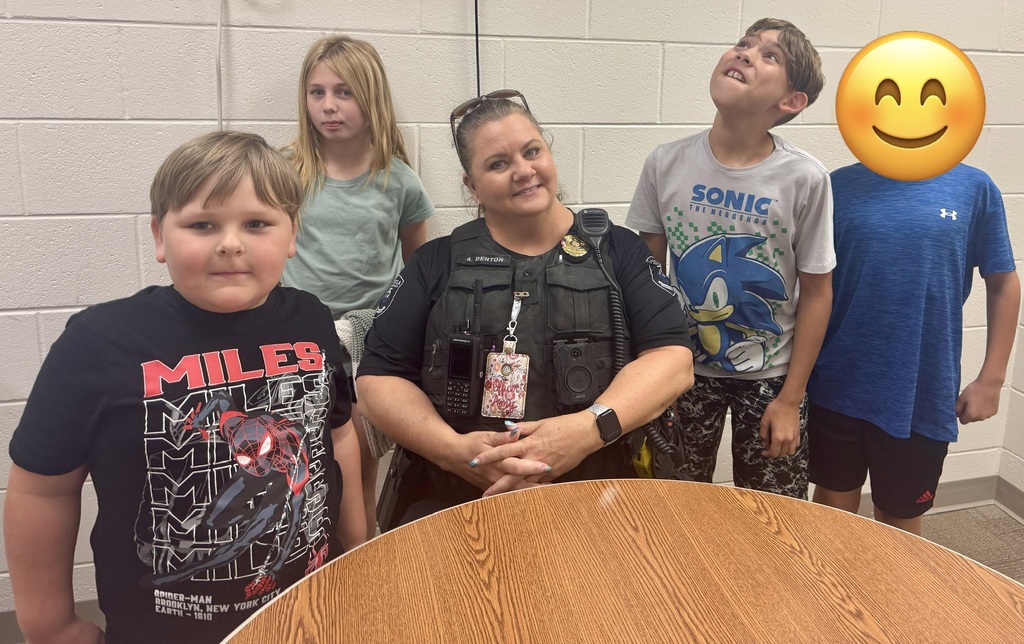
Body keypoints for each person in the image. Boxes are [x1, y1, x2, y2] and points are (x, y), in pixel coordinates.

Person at [4, 131, 366, 643]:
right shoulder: (99, 342)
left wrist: (359, 545)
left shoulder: (311, 318)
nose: (231, 242)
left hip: (308, 609)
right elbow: (42, 487)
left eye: (257, 223)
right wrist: (48, 622)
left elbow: (339, 433)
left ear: (291, 235)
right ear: (158, 236)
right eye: (203, 224)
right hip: (161, 629)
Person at [357, 91, 695, 529]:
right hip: (458, 498)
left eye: (532, 151)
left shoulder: (619, 251)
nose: (523, 171)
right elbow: (376, 382)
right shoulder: (436, 262)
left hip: (600, 496)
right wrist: (458, 453)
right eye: (497, 164)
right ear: (471, 185)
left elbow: (674, 361)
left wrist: (585, 431)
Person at [625, 18, 832, 499]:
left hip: (771, 377)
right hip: (681, 370)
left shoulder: (805, 179)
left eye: (769, 56)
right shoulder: (665, 162)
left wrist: (791, 398)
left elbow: (818, 293)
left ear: (792, 101)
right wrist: (645, 373)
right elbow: (648, 279)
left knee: (775, 516)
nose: (745, 53)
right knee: (674, 502)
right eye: (744, 43)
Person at [807, 162, 1019, 535]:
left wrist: (991, 380)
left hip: (921, 393)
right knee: (832, 520)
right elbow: (810, 289)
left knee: (899, 527)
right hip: (838, 384)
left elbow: (1003, 283)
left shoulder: (974, 187)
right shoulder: (835, 186)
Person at [282, 34, 434, 539]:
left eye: (344, 92)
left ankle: (360, 560)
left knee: (359, 467)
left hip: (372, 343)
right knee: (303, 464)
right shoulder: (286, 174)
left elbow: (418, 270)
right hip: (302, 338)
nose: (328, 106)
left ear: (372, 99)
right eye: (317, 92)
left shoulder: (399, 181)